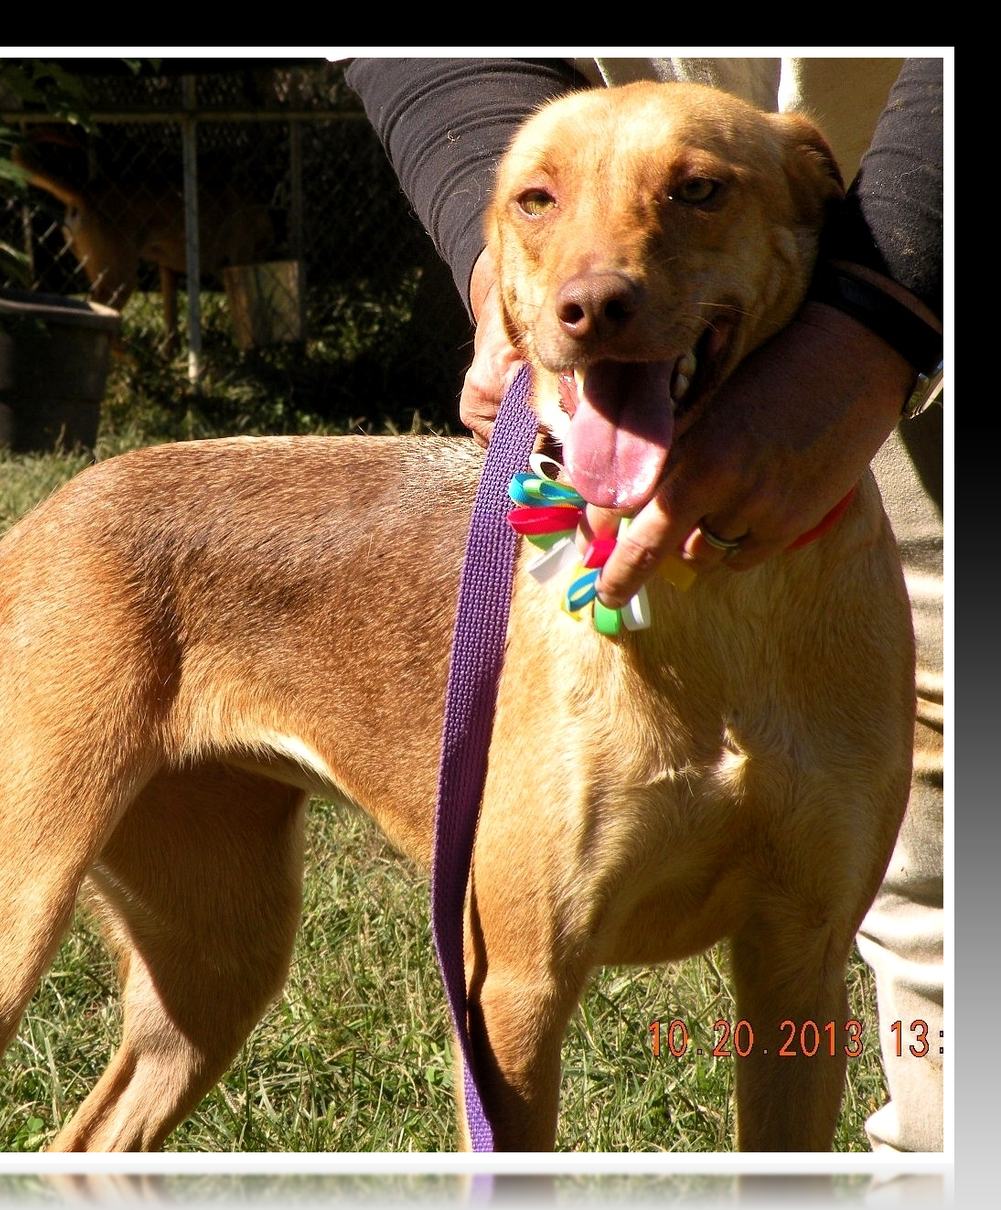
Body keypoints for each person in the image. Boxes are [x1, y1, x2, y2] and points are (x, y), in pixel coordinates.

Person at [345, 56, 944, 1153]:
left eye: (697, 191)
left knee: (942, 868)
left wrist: (880, 311)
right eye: (539, 209)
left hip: (908, 219)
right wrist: (500, 286)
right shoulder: (554, 280)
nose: (600, 280)